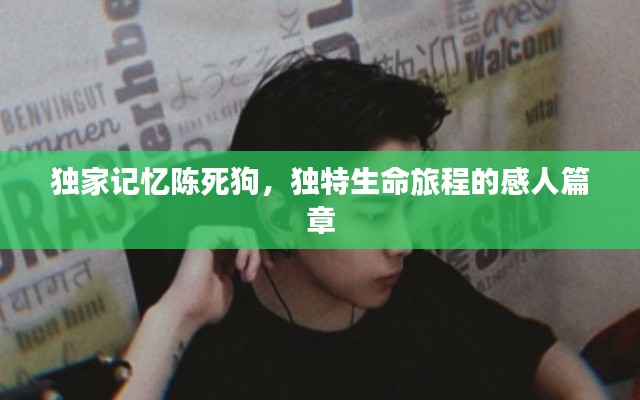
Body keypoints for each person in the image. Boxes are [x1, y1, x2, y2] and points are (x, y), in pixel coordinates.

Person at [117, 54, 607, 399]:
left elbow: (531, 352)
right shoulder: (217, 339)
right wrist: (176, 317)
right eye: (374, 214)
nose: (402, 244)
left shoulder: (416, 289)